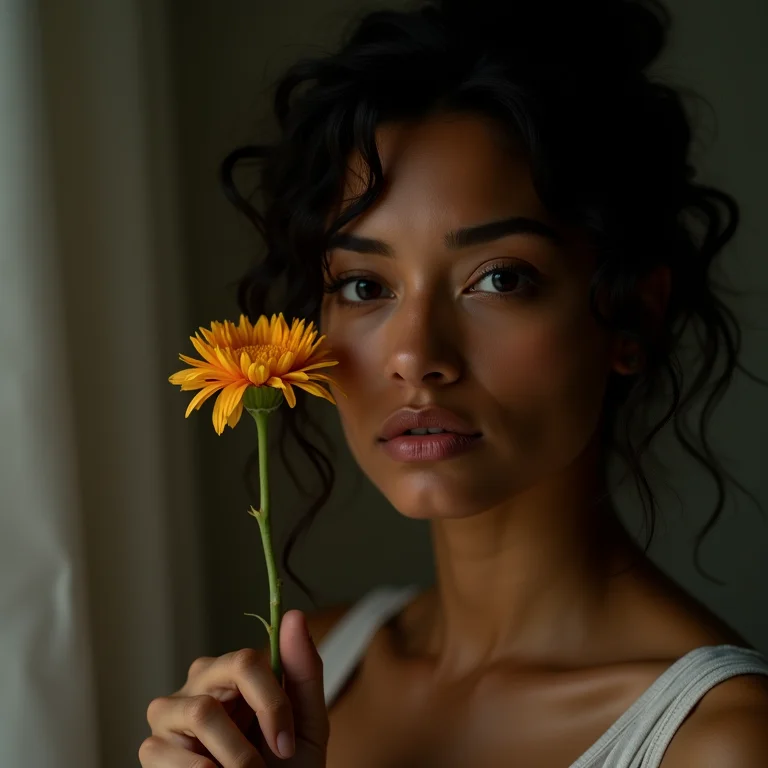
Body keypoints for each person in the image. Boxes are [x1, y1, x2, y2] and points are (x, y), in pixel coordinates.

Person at [139, 0, 768, 765]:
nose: (414, 355)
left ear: (632, 316)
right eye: (366, 286)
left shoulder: (722, 740)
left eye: (499, 278)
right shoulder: (301, 681)